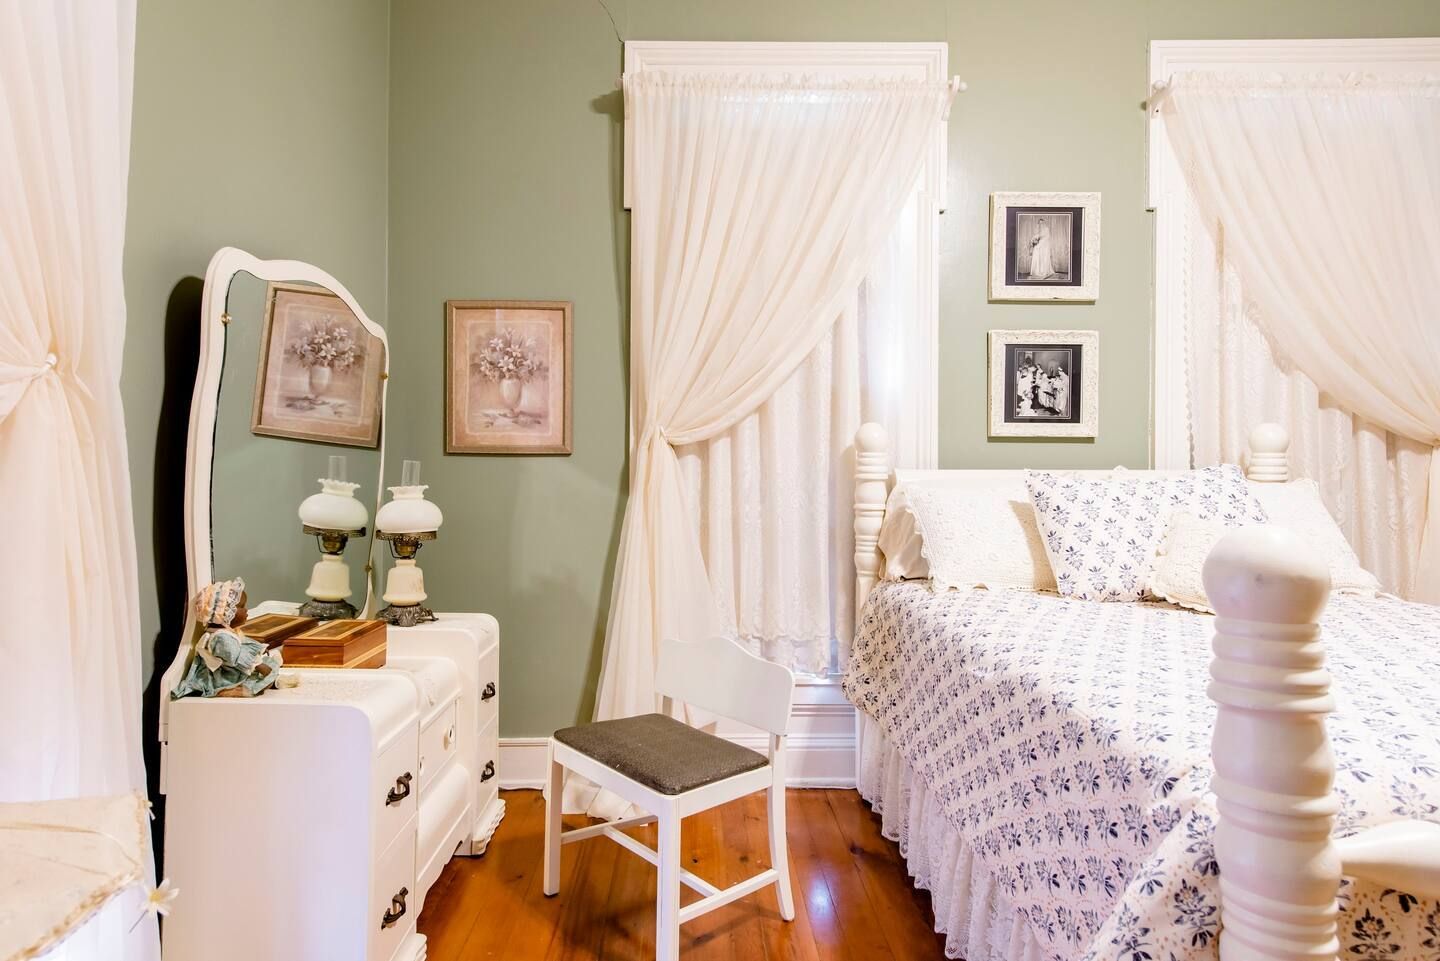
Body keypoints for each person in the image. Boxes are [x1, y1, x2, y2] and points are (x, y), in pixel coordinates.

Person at [171, 577, 282, 699]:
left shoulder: (226, 633)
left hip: (233, 668)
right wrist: (258, 665)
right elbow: (236, 657)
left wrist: (258, 649)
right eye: (242, 606)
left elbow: (242, 643)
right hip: (225, 676)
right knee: (267, 672)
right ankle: (239, 690)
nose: (246, 610)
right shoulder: (220, 639)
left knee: (270, 665)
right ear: (225, 613)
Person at [1028, 217, 1055, 282]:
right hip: (1040, 245)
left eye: (1042, 223)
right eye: (1039, 223)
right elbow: (1037, 236)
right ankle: (1036, 271)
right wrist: (1033, 240)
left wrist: (1038, 238)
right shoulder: (1038, 229)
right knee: (1036, 252)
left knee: (1043, 257)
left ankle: (1043, 271)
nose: (1041, 224)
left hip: (1044, 246)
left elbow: (1045, 237)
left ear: (1044, 223)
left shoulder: (1046, 229)